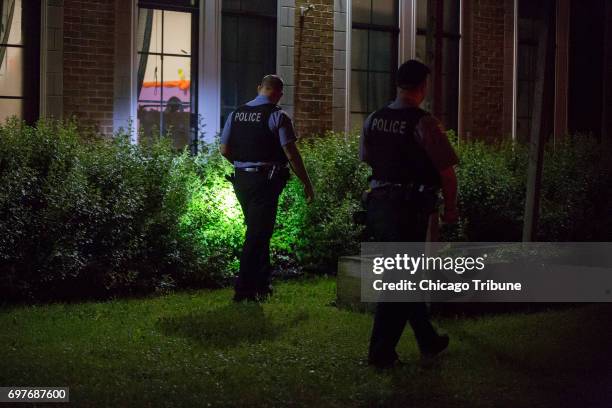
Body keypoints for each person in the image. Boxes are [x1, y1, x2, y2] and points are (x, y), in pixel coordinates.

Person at [360, 60, 459, 368]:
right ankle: (381, 351)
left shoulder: (374, 119)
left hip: (379, 204)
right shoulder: (423, 122)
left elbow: (366, 158)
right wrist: (451, 209)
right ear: (422, 86)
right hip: (409, 206)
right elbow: (446, 171)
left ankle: (427, 339)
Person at [220, 74, 315, 302]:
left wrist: (244, 165)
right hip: (266, 182)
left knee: (259, 232)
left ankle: (262, 284)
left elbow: (224, 149)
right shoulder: (278, 116)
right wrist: (306, 182)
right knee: (256, 235)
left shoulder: (236, 113)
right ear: (279, 93)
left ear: (259, 88)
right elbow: (291, 153)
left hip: (241, 180)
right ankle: (243, 291)